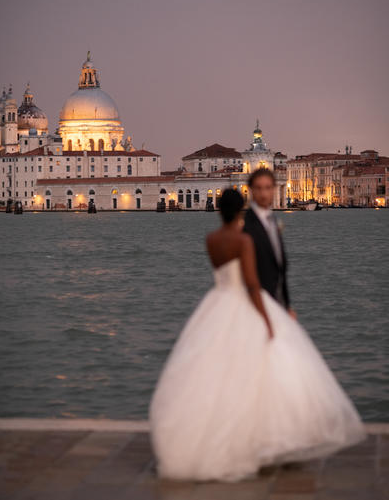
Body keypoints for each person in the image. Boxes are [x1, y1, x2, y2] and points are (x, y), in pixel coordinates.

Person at [149, 189, 366, 483]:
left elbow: (223, 274)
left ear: (218, 210)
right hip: (243, 303)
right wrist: (267, 319)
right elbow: (251, 284)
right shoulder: (244, 240)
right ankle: (263, 439)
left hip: (217, 303)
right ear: (241, 211)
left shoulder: (211, 240)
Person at [244, 168, 295, 316]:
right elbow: (250, 278)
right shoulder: (247, 226)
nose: (264, 193)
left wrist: (287, 305)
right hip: (257, 309)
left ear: (274, 189)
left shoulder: (273, 221)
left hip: (277, 304)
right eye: (258, 188)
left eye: (267, 188)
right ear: (251, 191)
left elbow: (279, 269)